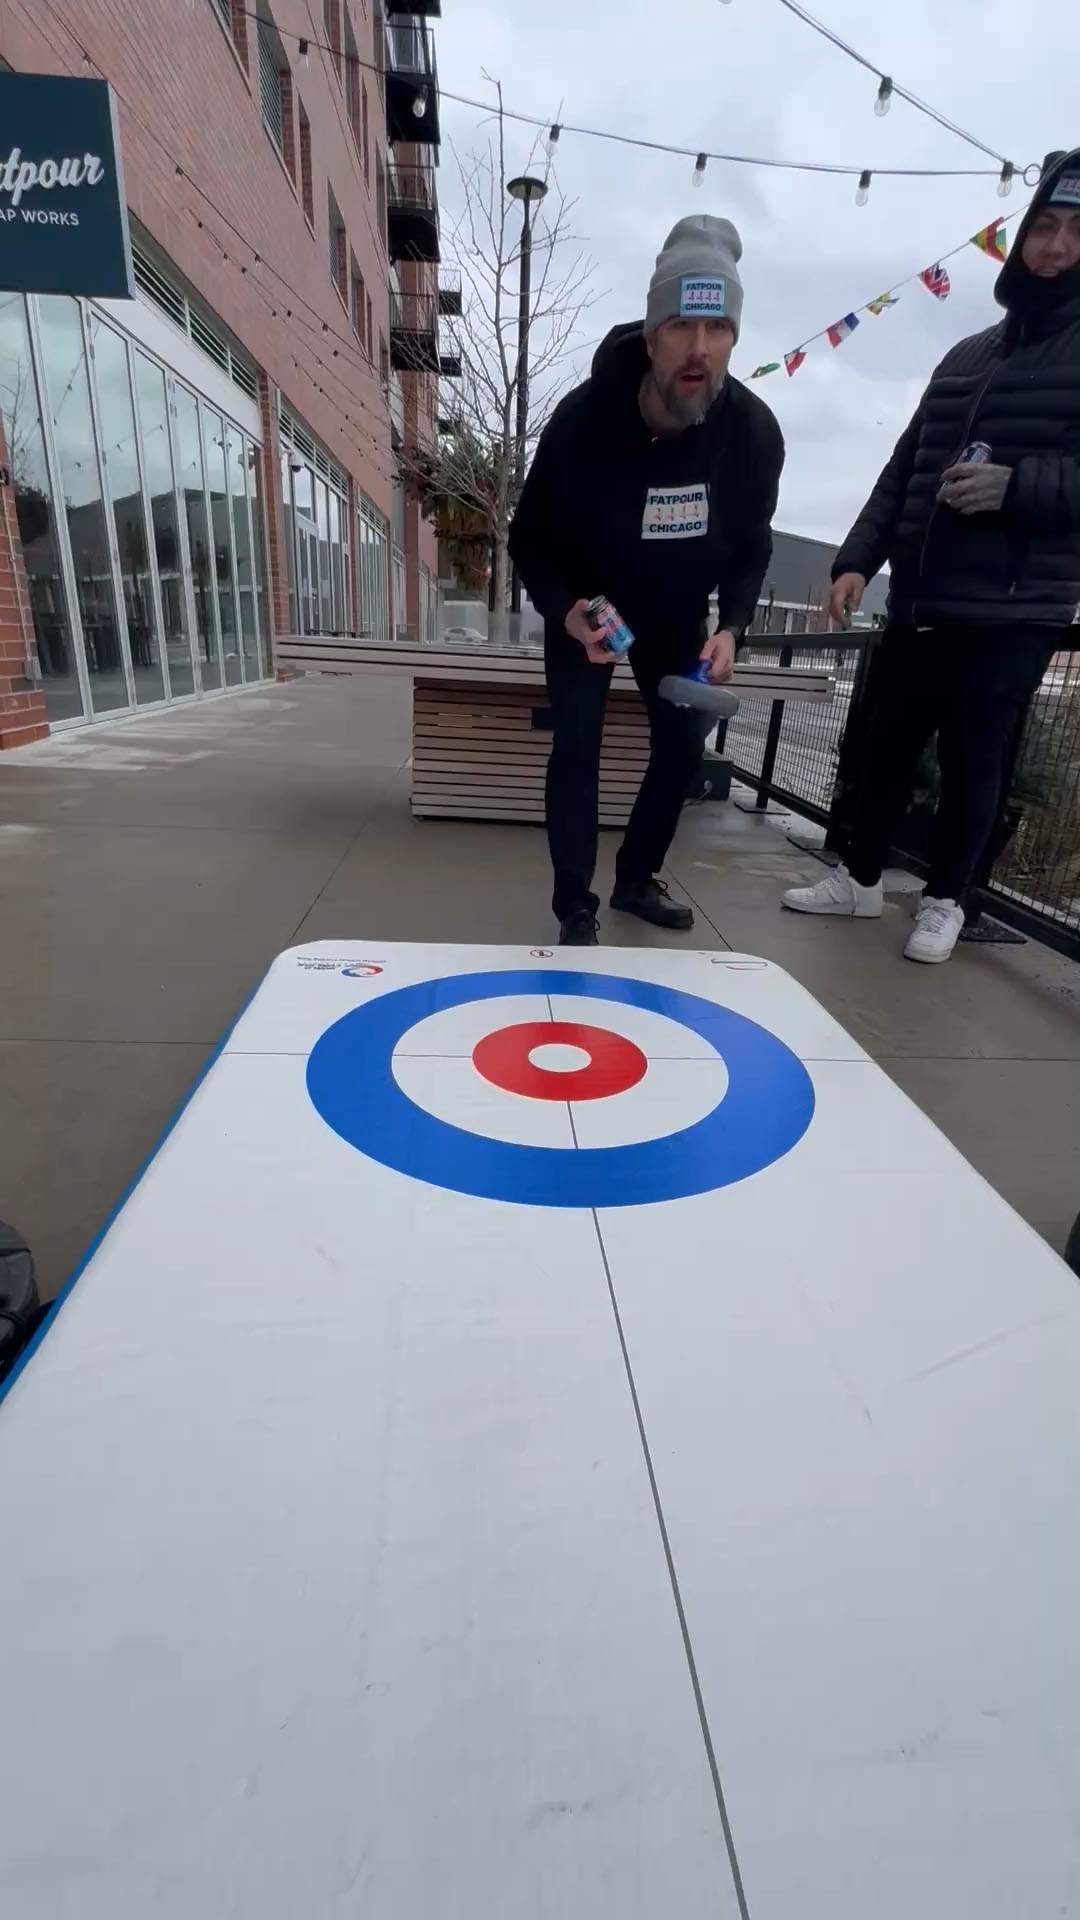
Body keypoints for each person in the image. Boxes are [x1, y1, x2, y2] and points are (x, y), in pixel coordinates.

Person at [784, 147, 1080, 964]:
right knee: (882, 746)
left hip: (1015, 607)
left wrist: (1018, 487)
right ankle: (859, 879)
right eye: (1044, 227)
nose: (1056, 247)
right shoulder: (967, 354)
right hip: (922, 597)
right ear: (1021, 238)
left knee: (975, 761)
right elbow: (904, 465)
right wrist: (857, 557)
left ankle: (948, 899)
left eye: (1074, 230)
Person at [509, 215, 784, 946]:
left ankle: (636, 878)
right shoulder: (583, 420)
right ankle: (575, 905)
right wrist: (565, 610)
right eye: (682, 326)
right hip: (591, 605)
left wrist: (733, 627)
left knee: (682, 744)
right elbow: (528, 538)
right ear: (652, 333)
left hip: (674, 611)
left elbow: (752, 548)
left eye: (718, 328)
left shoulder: (752, 435)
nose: (699, 349)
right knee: (578, 742)